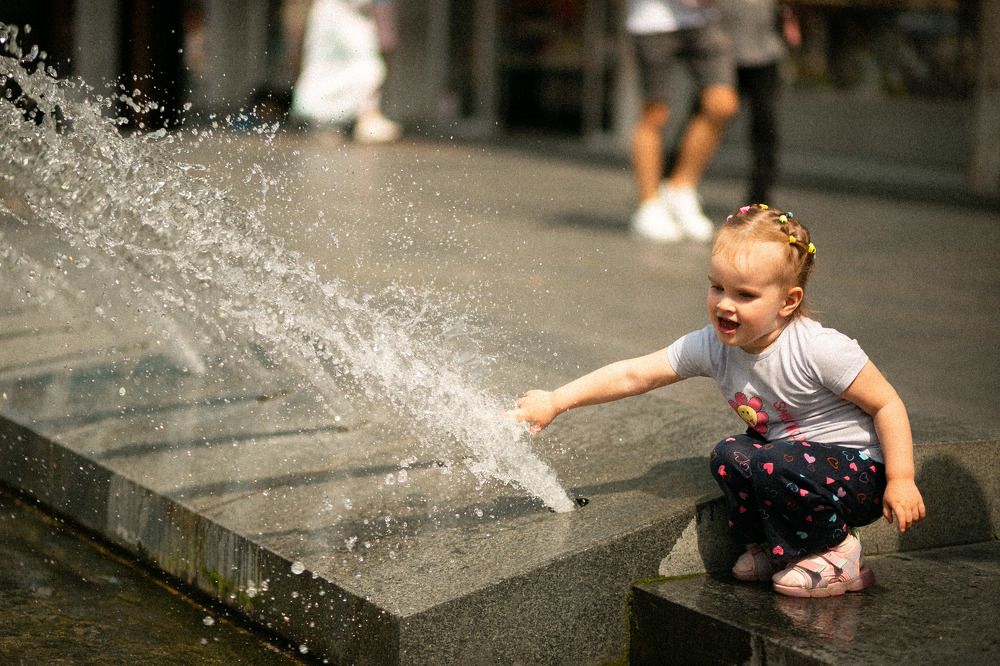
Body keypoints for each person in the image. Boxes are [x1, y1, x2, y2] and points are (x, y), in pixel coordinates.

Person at [513, 203, 926, 598]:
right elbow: (635, 374)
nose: (725, 304)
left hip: (859, 473)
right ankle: (770, 546)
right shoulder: (713, 345)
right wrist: (556, 400)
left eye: (744, 295)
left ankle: (838, 552)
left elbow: (887, 404)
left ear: (788, 301)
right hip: (791, 462)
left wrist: (901, 479)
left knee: (771, 461)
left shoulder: (818, 349)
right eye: (717, 287)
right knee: (730, 454)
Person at [627, 0, 740, 242]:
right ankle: (648, 205)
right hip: (652, 20)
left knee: (722, 103)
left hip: (703, 19)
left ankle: (680, 187)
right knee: (655, 113)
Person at [717, 0, 801, 203]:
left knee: (764, 124)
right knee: (709, 114)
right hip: (723, 50)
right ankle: (676, 183)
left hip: (764, 53)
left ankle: (761, 194)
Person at [291, 0, 401, 143]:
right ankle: (356, 117)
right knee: (363, 65)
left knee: (367, 65)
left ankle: (362, 116)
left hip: (354, 12)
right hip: (337, 9)